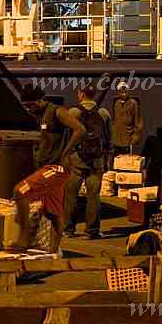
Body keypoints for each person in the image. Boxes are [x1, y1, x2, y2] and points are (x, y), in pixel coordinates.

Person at [55, 88, 110, 238]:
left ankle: (68, 229)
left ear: (81, 94)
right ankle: (92, 231)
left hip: (77, 160)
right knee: (94, 197)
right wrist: (106, 159)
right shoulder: (104, 113)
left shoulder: (73, 112)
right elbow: (107, 139)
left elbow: (66, 136)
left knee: (70, 196)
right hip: (96, 161)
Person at [109, 80, 144, 156]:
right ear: (118, 92)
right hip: (116, 137)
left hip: (128, 137)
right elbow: (113, 118)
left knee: (126, 161)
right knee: (116, 160)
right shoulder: (116, 103)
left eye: (125, 91)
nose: (123, 93)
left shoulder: (133, 103)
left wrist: (136, 135)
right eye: (121, 91)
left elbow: (138, 121)